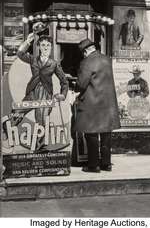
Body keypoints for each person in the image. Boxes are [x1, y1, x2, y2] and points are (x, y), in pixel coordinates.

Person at [16, 31, 68, 150]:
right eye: (43, 45)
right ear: (39, 47)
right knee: (17, 112)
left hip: (45, 94)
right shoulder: (33, 59)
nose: (45, 48)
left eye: (48, 45)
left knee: (42, 121)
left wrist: (62, 95)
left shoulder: (54, 64)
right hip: (32, 92)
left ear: (51, 47)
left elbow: (64, 81)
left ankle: (40, 147)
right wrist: (28, 41)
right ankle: (8, 133)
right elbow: (19, 54)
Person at [75, 38, 120, 173]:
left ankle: (93, 165)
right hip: (107, 103)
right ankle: (106, 164)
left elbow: (82, 84)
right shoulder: (107, 59)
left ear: (86, 50)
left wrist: (75, 87)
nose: (84, 55)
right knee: (106, 133)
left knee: (91, 134)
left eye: (83, 52)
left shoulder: (87, 61)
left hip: (92, 102)